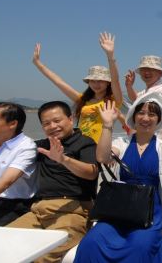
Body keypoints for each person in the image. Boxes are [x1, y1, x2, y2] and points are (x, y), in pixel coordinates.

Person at [74, 93, 162, 263]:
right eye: (141, 113)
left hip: (149, 211)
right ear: (134, 116)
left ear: (158, 120)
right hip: (119, 207)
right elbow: (103, 158)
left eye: (152, 114)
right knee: (91, 242)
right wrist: (107, 125)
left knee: (141, 246)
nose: (145, 118)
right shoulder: (122, 143)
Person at [6, 101, 98, 262]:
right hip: (37, 211)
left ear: (70, 119)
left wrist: (63, 159)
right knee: (1, 242)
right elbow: (9, 145)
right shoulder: (42, 146)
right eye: (46, 123)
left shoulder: (85, 143)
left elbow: (91, 173)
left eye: (57, 121)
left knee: (44, 257)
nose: (52, 126)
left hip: (72, 211)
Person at [32, 33, 123, 143]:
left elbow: (116, 79)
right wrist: (38, 64)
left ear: (108, 83)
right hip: (80, 144)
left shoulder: (113, 101)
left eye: (100, 81)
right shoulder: (83, 100)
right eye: (92, 81)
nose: (96, 84)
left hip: (100, 145)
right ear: (88, 82)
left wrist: (110, 55)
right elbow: (59, 82)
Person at [125, 54, 162, 148]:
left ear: (159, 73)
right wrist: (129, 86)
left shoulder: (161, 89)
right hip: (152, 139)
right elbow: (137, 99)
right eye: (144, 70)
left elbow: (139, 100)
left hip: (161, 142)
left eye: (151, 69)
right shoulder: (149, 90)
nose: (147, 72)